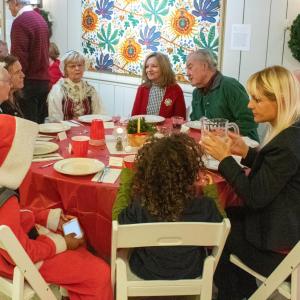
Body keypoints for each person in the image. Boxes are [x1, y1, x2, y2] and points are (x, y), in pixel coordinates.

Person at [201, 65, 300, 299]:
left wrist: (225, 159)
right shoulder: (292, 132)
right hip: (284, 229)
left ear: (281, 100)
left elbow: (254, 197)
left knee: (216, 229)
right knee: (223, 214)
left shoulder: (287, 142)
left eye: (257, 99)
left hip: (281, 251)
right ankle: (240, 290)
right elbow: (276, 172)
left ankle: (234, 293)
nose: (249, 105)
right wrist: (246, 152)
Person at [0, 114, 113, 300]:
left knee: (75, 230)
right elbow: (21, 252)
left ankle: (78, 273)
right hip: (24, 260)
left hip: (28, 240)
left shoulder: (4, 191)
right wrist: (63, 243)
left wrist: (52, 217)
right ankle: (87, 274)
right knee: (100, 273)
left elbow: (19, 215)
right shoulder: (5, 201)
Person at [116, 133, 222, 280]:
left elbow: (117, 223)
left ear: (148, 173)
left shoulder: (141, 204)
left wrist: (126, 183)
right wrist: (211, 191)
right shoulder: (205, 206)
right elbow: (221, 230)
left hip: (146, 270)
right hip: (191, 270)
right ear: (190, 173)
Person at [186, 49, 259, 141]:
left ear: (204, 66)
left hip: (240, 146)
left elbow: (250, 120)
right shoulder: (196, 92)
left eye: (190, 67)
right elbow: (195, 121)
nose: (187, 73)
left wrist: (223, 134)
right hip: (211, 144)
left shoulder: (230, 86)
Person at [7, 0, 49, 124]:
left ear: (15, 2)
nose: (9, 9)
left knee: (28, 128)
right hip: (43, 82)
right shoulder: (40, 19)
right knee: (40, 128)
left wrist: (12, 81)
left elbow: (19, 60)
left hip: (28, 83)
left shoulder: (20, 22)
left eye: (8, 4)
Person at [48, 50, 106, 122]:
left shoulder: (90, 90)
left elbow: (99, 114)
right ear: (65, 70)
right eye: (72, 66)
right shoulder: (59, 90)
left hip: (88, 130)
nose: (77, 68)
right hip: (66, 131)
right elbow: (55, 119)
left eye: (80, 65)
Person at [131, 52, 186, 119]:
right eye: (147, 67)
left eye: (154, 66)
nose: (149, 70)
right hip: (144, 129)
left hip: (166, 129)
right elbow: (134, 116)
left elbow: (180, 119)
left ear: (164, 68)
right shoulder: (142, 88)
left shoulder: (176, 89)